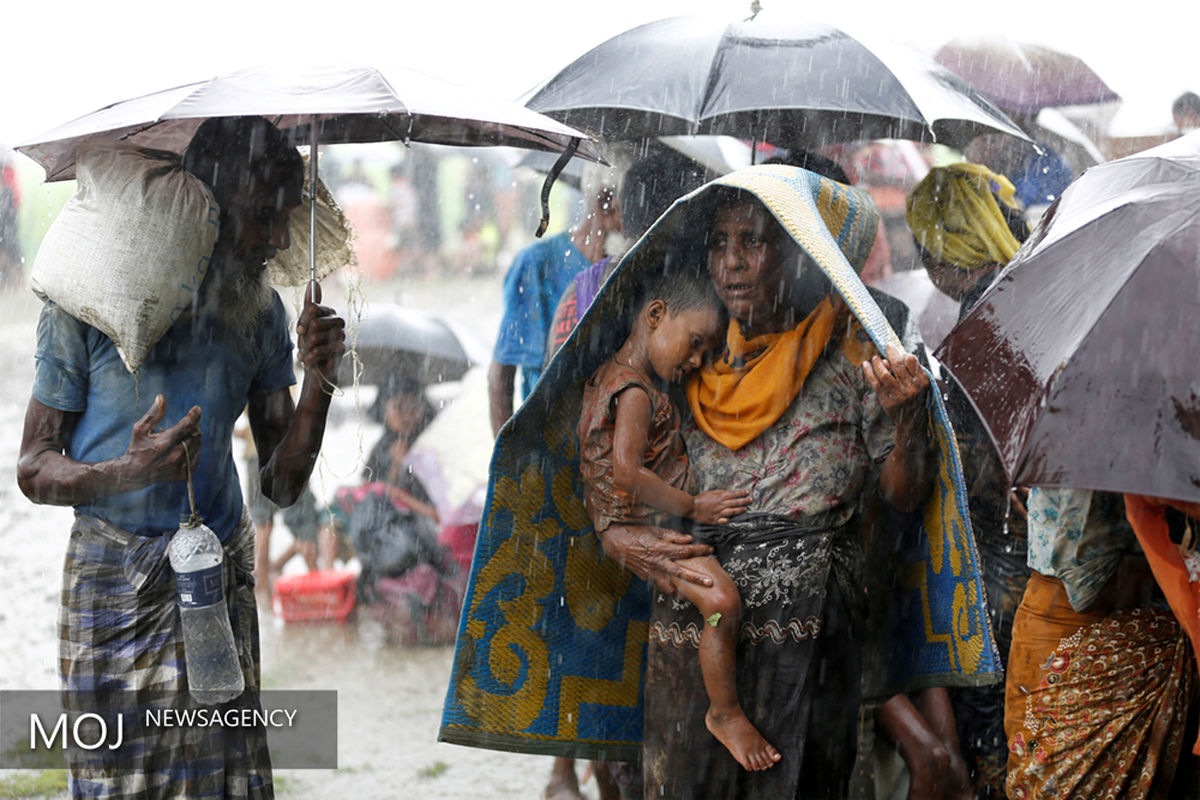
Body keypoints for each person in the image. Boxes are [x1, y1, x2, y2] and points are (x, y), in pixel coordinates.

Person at [16, 115, 346, 798]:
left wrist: (319, 383)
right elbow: (33, 467)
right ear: (208, 204)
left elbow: (282, 485)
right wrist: (125, 473)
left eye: (286, 220)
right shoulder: (93, 296)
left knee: (223, 782)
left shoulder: (257, 310)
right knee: (118, 781)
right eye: (264, 219)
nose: (279, 240)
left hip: (214, 579)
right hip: (114, 581)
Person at [602, 172, 937, 798]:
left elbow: (902, 495)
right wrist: (619, 537)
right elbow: (608, 456)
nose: (732, 263)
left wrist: (908, 420)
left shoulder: (859, 339)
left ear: (799, 249)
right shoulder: (686, 344)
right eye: (720, 243)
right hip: (697, 616)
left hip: (808, 625)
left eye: (753, 242)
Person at [578, 268, 776, 770]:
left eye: (704, 354)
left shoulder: (609, 375)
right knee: (722, 602)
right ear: (656, 315)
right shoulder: (636, 392)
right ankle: (724, 712)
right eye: (693, 344)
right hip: (640, 529)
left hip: (628, 527)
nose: (694, 361)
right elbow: (626, 472)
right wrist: (691, 507)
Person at [905, 161, 1032, 797]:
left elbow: (981, 469)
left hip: (998, 566)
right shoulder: (1029, 293)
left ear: (943, 251)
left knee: (990, 728)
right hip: (1031, 563)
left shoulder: (986, 323)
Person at [1005, 488, 1198, 798]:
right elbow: (1086, 585)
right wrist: (1186, 568)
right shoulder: (1107, 460)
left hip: (1069, 640)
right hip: (1086, 648)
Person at [488, 167, 625, 435]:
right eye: (635, 209)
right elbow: (500, 376)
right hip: (550, 443)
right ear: (605, 204)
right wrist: (509, 466)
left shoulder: (633, 268)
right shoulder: (536, 265)